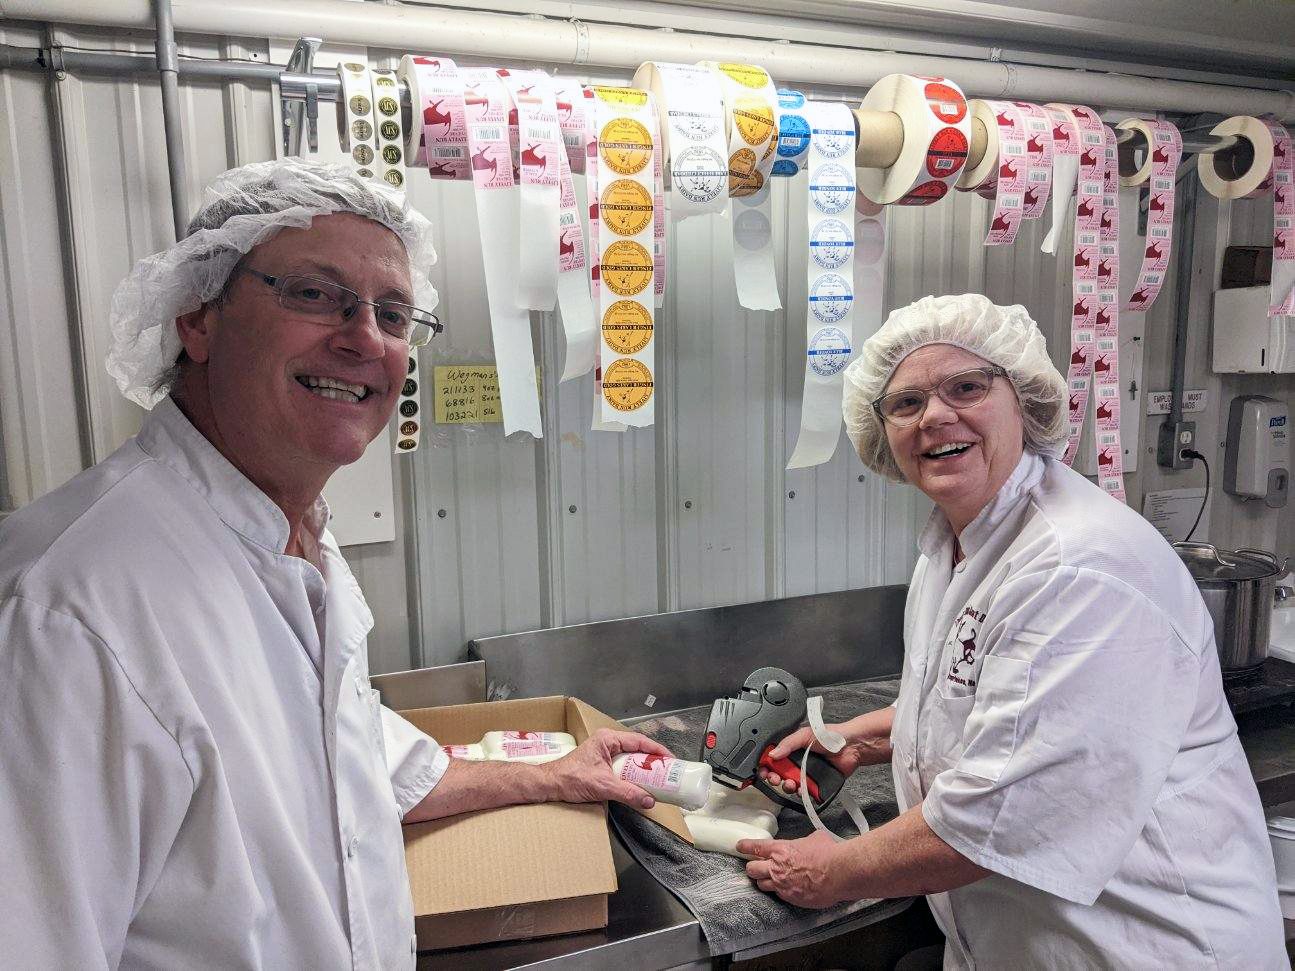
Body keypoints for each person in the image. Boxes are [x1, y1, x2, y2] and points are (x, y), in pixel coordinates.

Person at [0, 158, 668, 969]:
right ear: (197, 318)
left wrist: (559, 773)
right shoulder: (65, 609)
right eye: (313, 294)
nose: (364, 338)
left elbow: (363, 773)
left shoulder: (292, 541)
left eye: (392, 312)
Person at [737, 294, 1286, 967]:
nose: (935, 415)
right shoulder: (957, 542)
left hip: (1147, 943)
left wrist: (832, 871)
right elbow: (992, 701)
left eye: (965, 387)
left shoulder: (1078, 566)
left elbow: (998, 818)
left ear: (1022, 402)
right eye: (906, 404)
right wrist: (863, 736)